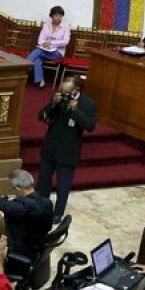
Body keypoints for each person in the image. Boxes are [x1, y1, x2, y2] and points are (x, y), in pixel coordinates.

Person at [37, 75, 96, 220]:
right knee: (43, 181)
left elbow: (90, 126)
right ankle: (41, 209)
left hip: (68, 151)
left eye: (67, 92)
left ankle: (57, 214)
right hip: (51, 147)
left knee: (63, 186)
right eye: (62, 91)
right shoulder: (58, 98)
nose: (64, 95)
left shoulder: (88, 103)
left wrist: (75, 111)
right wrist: (53, 104)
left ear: (76, 89)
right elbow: (41, 116)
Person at [0, 156, 52, 266]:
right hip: (36, 247)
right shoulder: (47, 203)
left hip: (20, 250)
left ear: (18, 189)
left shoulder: (21, 207)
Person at [24, 6, 71, 88]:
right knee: (37, 60)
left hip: (57, 52)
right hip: (44, 50)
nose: (58, 18)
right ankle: (40, 82)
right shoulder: (46, 25)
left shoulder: (65, 26)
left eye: (60, 16)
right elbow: (40, 40)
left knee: (37, 51)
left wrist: (51, 43)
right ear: (51, 16)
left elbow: (65, 42)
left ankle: (23, 68)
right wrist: (44, 45)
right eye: (56, 15)